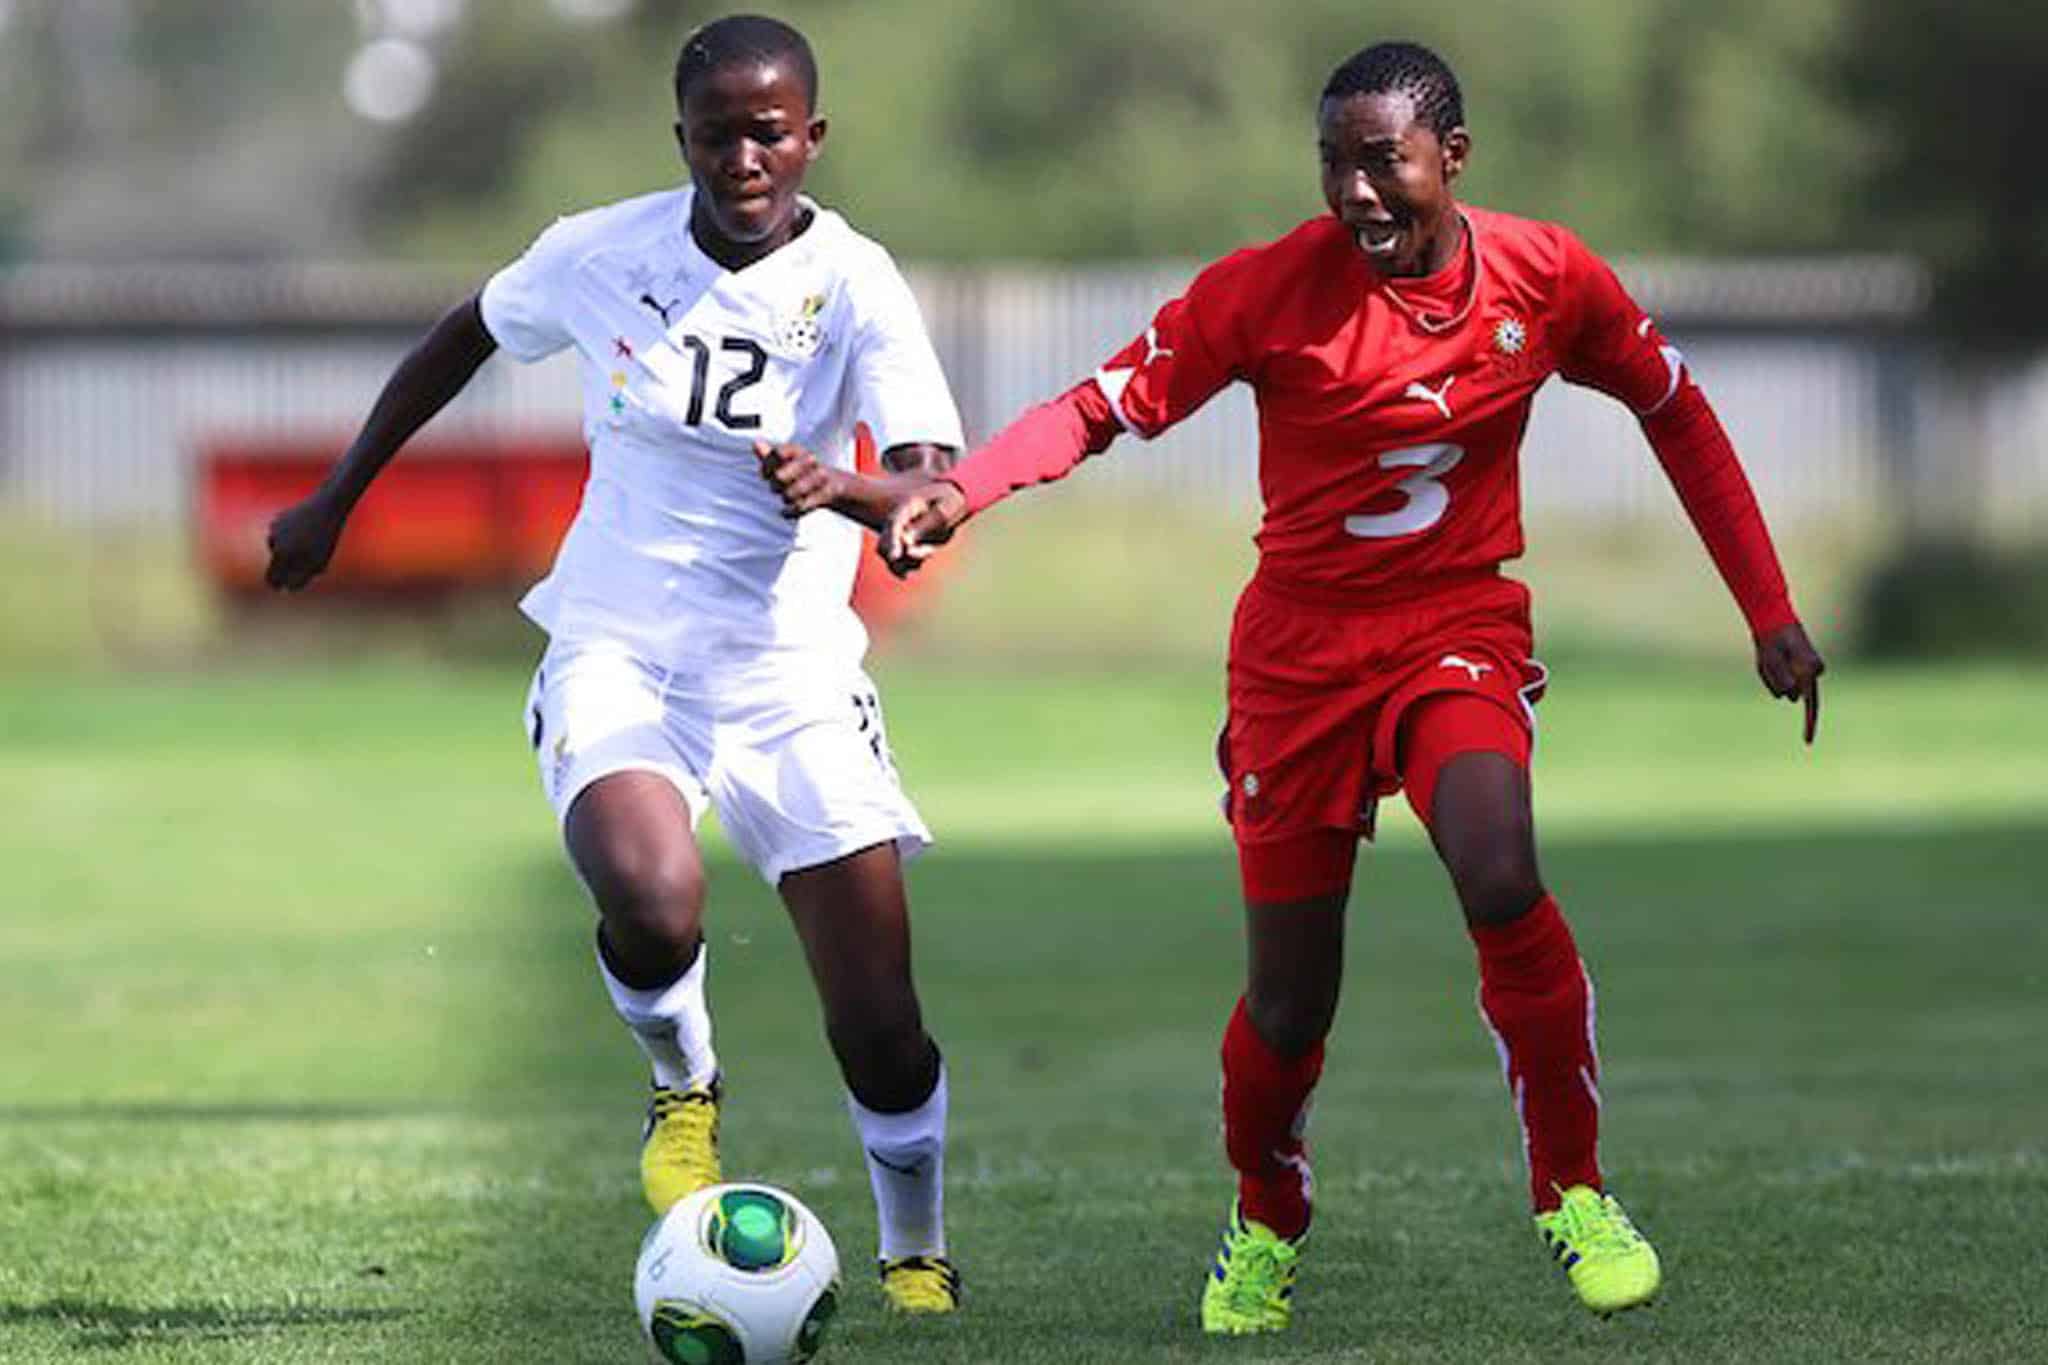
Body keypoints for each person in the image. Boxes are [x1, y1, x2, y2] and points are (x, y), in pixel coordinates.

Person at [790, 38, 1827, 1334]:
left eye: (1383, 161)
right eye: (1334, 163)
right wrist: (961, 491)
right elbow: (1098, 406)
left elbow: (1675, 408)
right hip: (1298, 662)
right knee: (1291, 1004)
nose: (1356, 192)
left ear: (1454, 157)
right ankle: (1267, 1213)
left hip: (1455, 626)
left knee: (1499, 866)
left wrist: (1768, 608)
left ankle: (1574, 1190)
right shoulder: (1270, 290)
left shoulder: (1548, 277)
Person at [265, 14, 964, 1315]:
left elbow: (929, 481)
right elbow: (467, 331)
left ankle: (915, 1251)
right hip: (617, 645)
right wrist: (337, 497)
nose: (744, 159)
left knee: (878, 1015)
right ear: (680, 137)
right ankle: (685, 1086)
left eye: (770, 134)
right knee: (650, 893)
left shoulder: (856, 282)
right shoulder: (601, 253)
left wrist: (859, 493)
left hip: (791, 674)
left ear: (813, 137)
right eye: (717, 135)